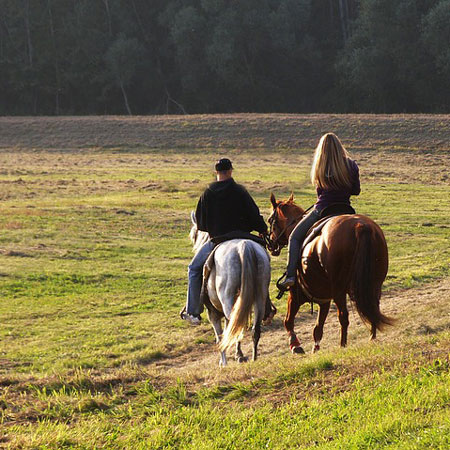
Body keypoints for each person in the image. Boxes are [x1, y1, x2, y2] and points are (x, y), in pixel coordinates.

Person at [182, 158, 268, 325]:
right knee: (262, 264)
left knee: (193, 269)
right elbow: (255, 216)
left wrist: (216, 227)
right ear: (230, 171)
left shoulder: (207, 193)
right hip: (244, 237)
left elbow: (201, 224)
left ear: (217, 173)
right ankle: (267, 307)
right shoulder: (240, 191)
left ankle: (193, 311)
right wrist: (262, 229)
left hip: (218, 240)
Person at [278, 132, 361, 289]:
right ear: (339, 147)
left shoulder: (320, 166)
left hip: (323, 209)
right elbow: (356, 190)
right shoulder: (351, 165)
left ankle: (290, 276)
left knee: (294, 238)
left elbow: (319, 194)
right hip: (345, 209)